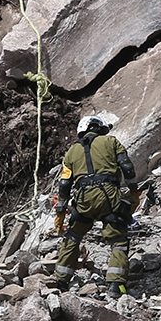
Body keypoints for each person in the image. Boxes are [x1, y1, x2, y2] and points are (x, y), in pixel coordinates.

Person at [51, 112, 135, 298]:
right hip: (109, 197)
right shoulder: (111, 142)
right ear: (97, 128)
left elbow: (65, 183)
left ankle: (61, 280)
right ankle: (116, 286)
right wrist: (134, 191)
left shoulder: (71, 151)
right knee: (118, 241)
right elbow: (127, 167)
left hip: (83, 200)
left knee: (73, 237)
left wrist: (61, 208)